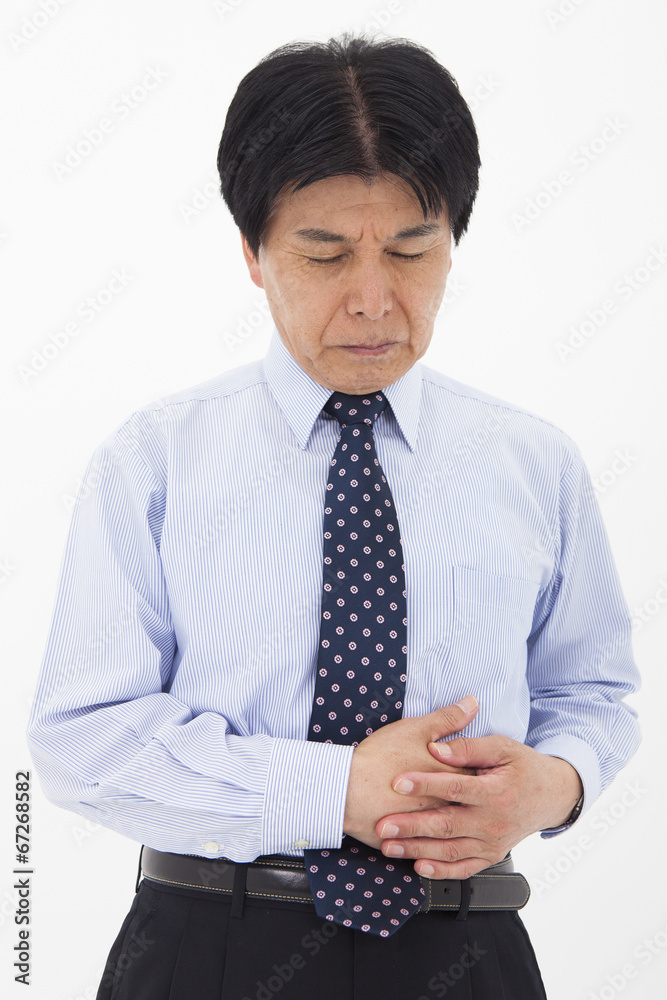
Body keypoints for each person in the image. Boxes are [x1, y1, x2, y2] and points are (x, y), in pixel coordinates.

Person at [27, 32, 640, 999]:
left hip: (469, 951)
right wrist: (333, 791)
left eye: (410, 250)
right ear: (252, 252)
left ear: (452, 242)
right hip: (210, 949)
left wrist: (557, 783)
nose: (372, 301)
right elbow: (81, 739)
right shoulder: (155, 460)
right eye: (323, 254)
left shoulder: (533, 461)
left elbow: (592, 692)